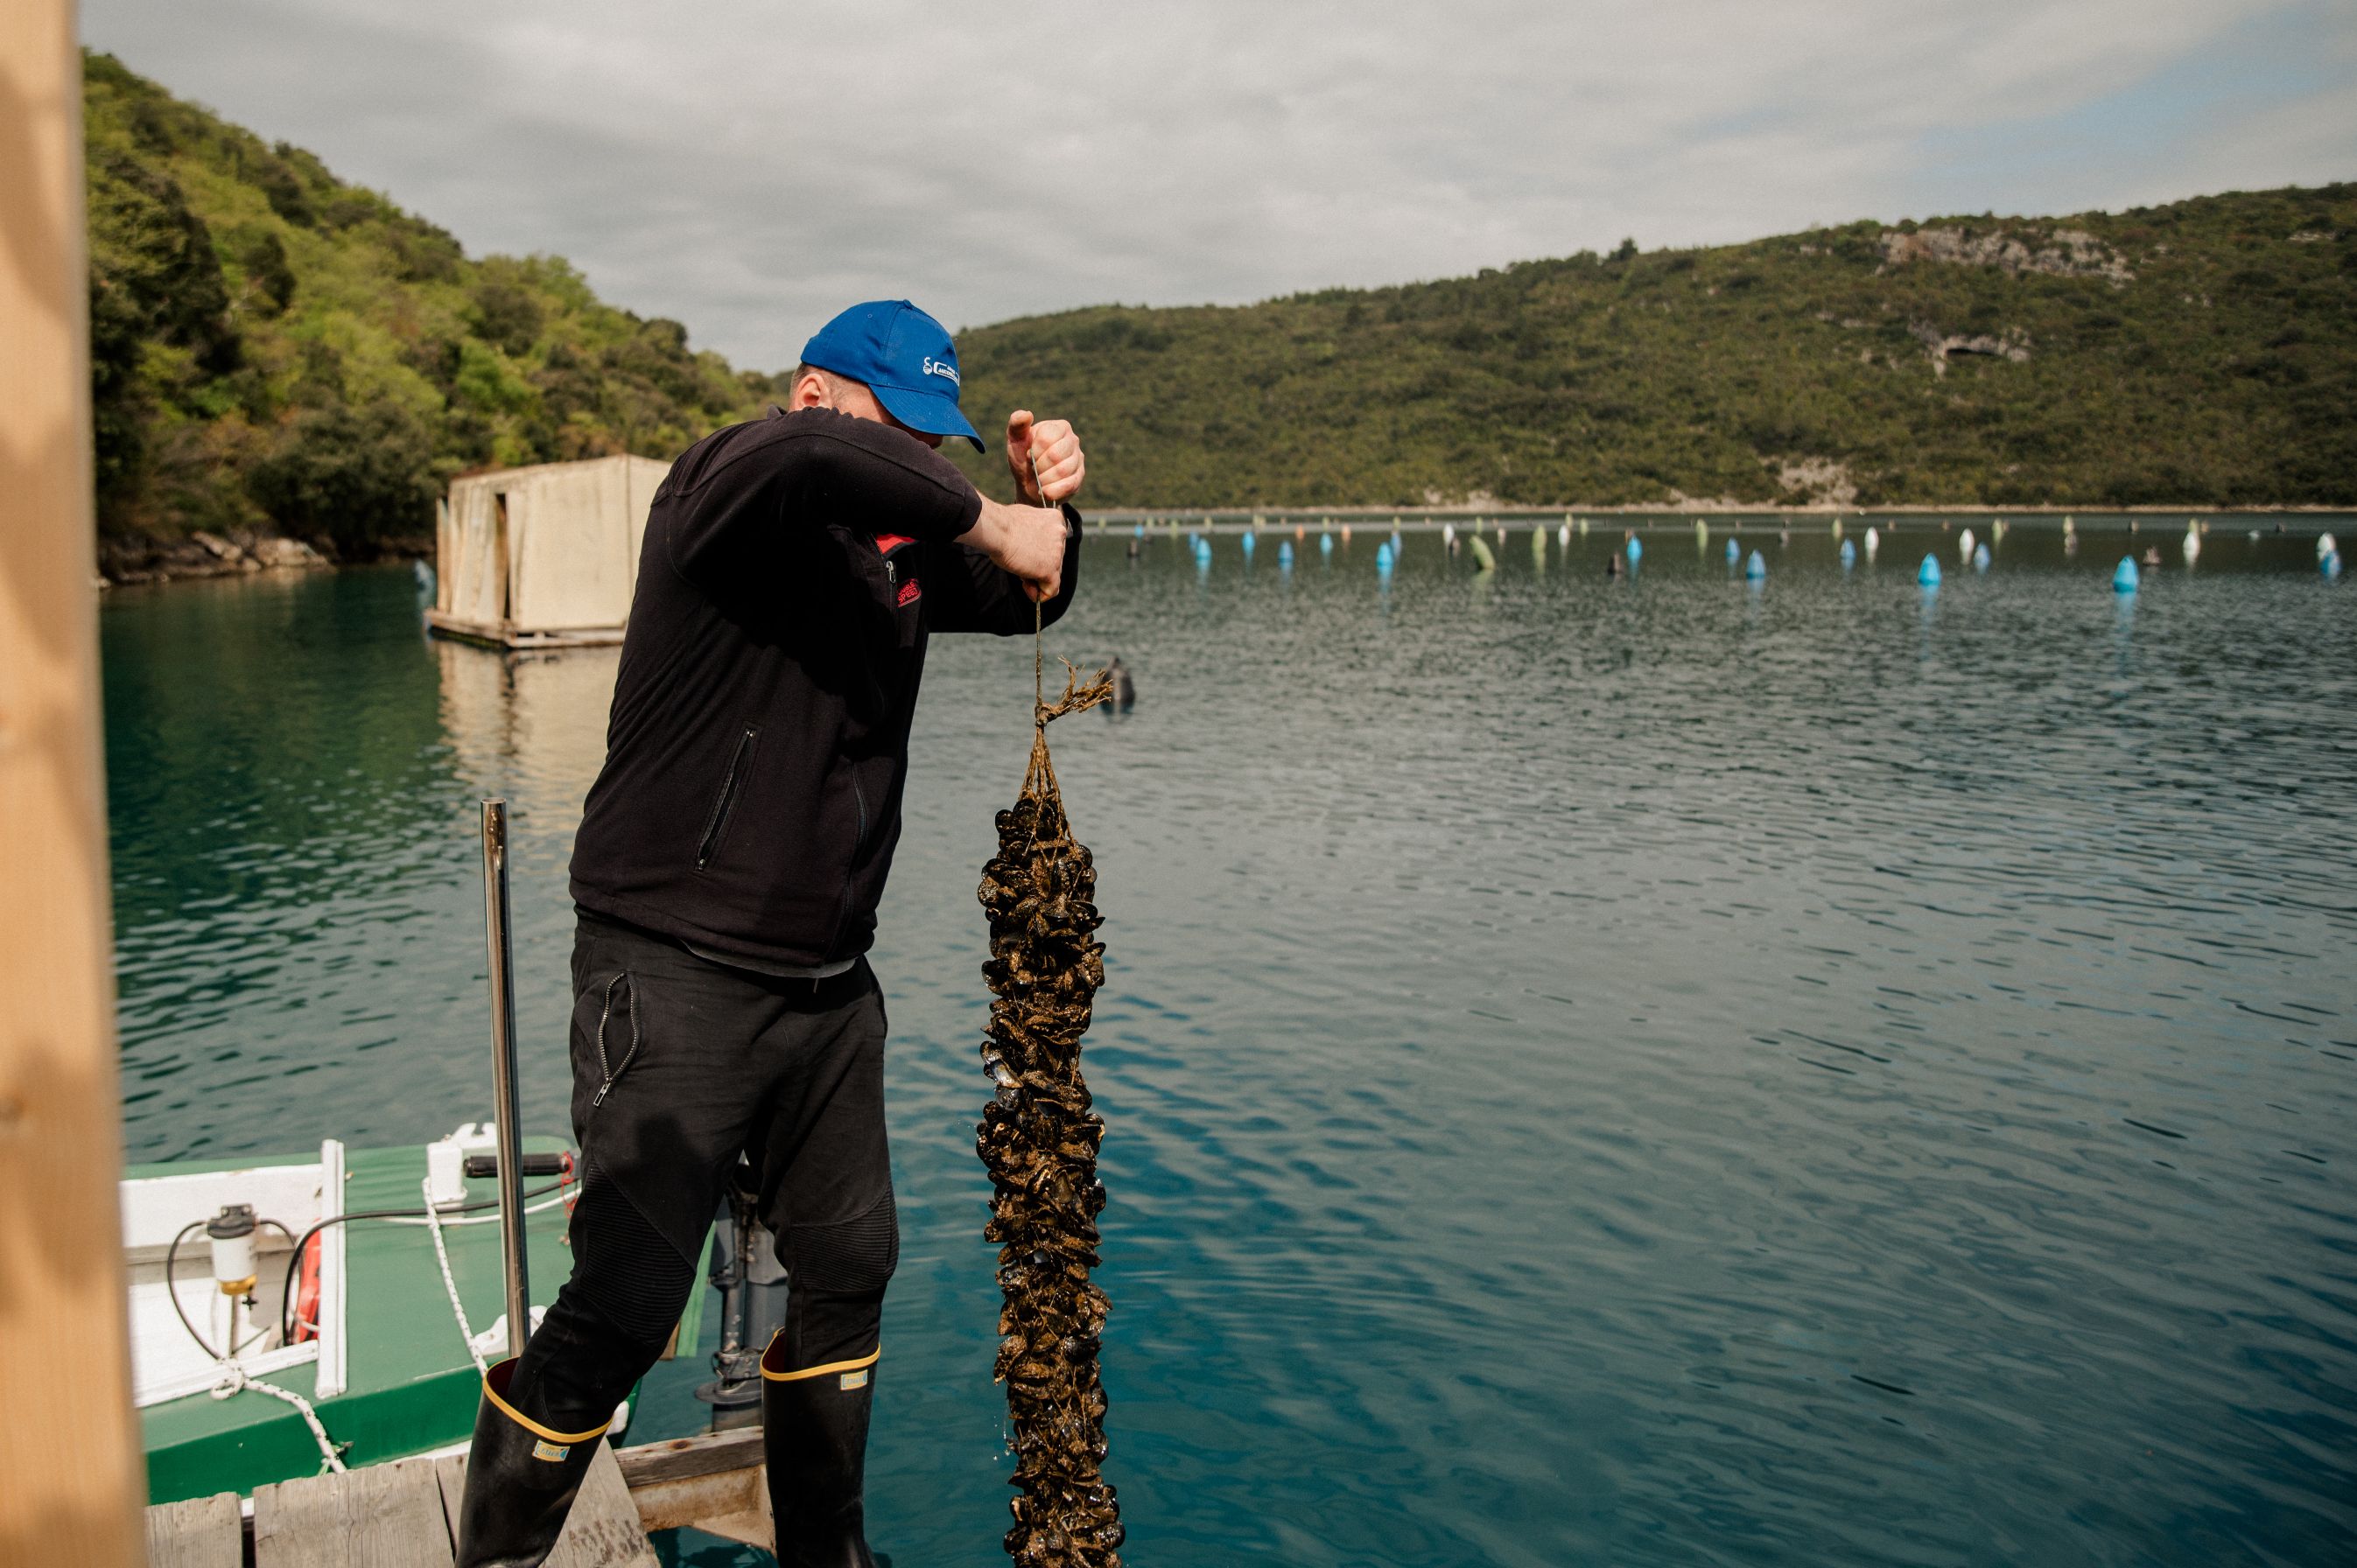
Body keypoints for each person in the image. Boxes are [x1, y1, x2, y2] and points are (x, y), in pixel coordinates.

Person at [453, 299, 1084, 1568]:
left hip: (826, 988)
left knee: (853, 1263)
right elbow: (810, 461)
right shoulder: (730, 480)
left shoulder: (892, 550)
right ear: (810, 391)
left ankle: (826, 1555)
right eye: (895, 429)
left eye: (937, 442)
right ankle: (500, 1560)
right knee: (628, 1301)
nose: (922, 462)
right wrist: (990, 511)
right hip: (671, 962)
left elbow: (1034, 599)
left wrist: (1056, 510)